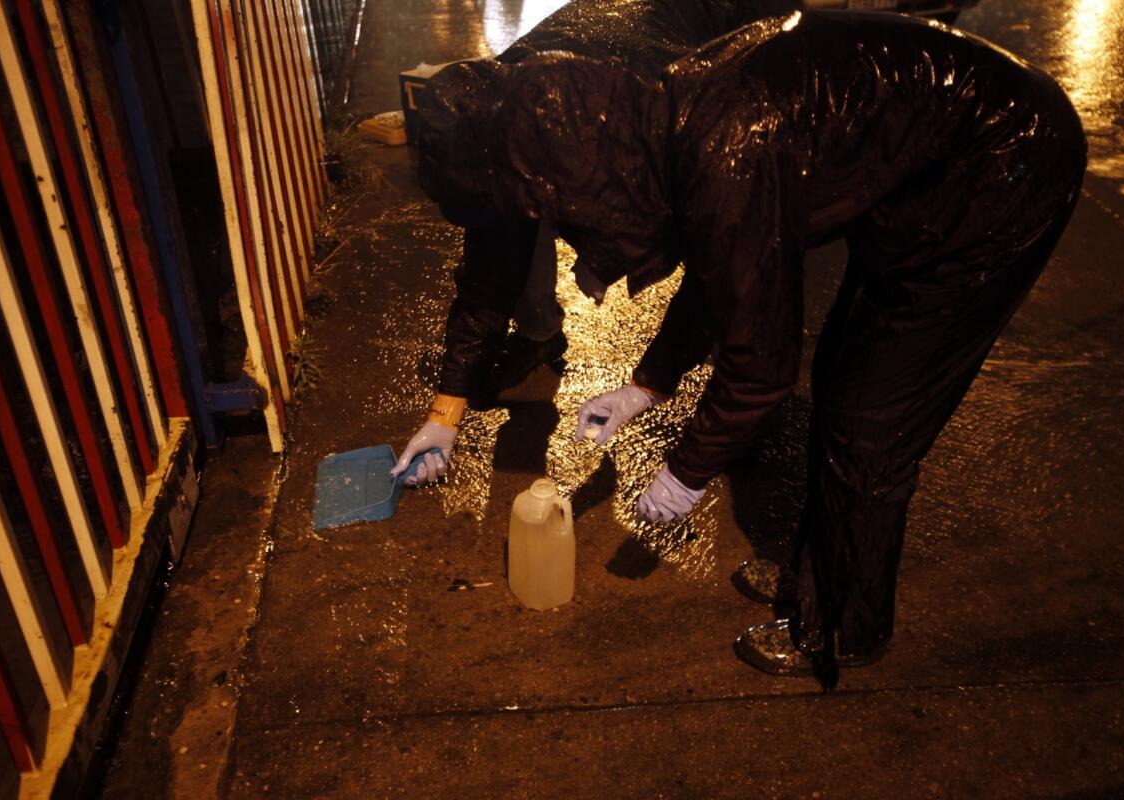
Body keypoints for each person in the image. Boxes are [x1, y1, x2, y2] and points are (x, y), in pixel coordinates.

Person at [435, 10, 1087, 686]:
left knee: (872, 419)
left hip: (1006, 166)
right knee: (844, 377)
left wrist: (687, 471)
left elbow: (761, 363)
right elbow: (729, 274)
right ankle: (819, 576)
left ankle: (840, 627)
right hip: (940, 165)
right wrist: (649, 384)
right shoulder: (665, 124)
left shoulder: (724, 157)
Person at [391, 0, 806, 486]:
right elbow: (488, 272)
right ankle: (544, 335)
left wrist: (654, 390)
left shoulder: (627, 124)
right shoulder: (493, 122)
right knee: (512, 224)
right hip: (613, 57)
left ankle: (741, 415)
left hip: (744, 39)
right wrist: (444, 412)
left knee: (746, 259)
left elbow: (715, 260)